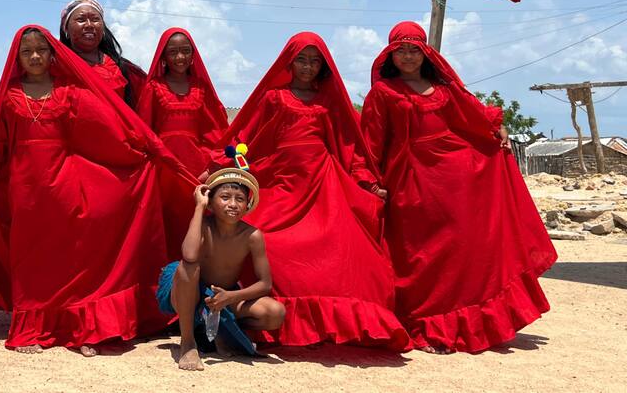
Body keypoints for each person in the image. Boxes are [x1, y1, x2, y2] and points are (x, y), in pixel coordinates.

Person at [0, 25, 197, 356]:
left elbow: (107, 130)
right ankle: (33, 328)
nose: (36, 57)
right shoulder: (9, 94)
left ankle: (81, 328)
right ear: (17, 57)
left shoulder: (70, 92)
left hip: (67, 183)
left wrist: (141, 154)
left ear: (53, 53)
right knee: (30, 258)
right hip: (26, 188)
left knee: (73, 258)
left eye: (41, 50)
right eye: (27, 52)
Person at [360, 21, 557, 353]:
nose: (407, 57)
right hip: (410, 183)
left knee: (459, 251)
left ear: (425, 53)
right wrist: (370, 181)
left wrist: (498, 130)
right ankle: (422, 323)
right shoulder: (383, 92)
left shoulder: (445, 90)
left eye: (414, 50)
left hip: (455, 181)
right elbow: (371, 141)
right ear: (390, 55)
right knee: (419, 256)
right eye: (401, 50)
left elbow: (474, 117)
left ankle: (457, 324)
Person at [205, 32, 410, 351]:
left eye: (315, 61)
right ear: (290, 61)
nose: (308, 66)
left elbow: (348, 147)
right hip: (282, 181)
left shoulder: (329, 102)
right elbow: (247, 138)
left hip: (322, 182)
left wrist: (367, 183)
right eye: (302, 59)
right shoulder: (274, 97)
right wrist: (220, 165)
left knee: (344, 250)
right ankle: (250, 315)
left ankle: (329, 324)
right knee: (266, 240)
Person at [157, 167, 284, 371]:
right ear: (211, 202)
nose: (233, 204)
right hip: (189, 292)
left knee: (275, 313)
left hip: (223, 296)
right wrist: (199, 207)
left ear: (247, 204)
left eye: (240, 199)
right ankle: (188, 342)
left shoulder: (252, 236)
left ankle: (223, 332)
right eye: (225, 197)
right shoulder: (204, 224)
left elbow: (265, 284)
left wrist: (230, 296)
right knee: (187, 267)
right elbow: (189, 255)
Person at [137, 28, 229, 177]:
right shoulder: (153, 88)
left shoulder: (201, 88)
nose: (180, 57)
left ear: (193, 54)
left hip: (197, 169)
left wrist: (210, 168)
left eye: (185, 50)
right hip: (162, 165)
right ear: (163, 57)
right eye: (173, 52)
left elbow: (214, 131)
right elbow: (143, 130)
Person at [59, 0, 146, 107]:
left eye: (95, 20)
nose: (89, 25)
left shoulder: (125, 70)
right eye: (81, 20)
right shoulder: (56, 67)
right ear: (66, 28)